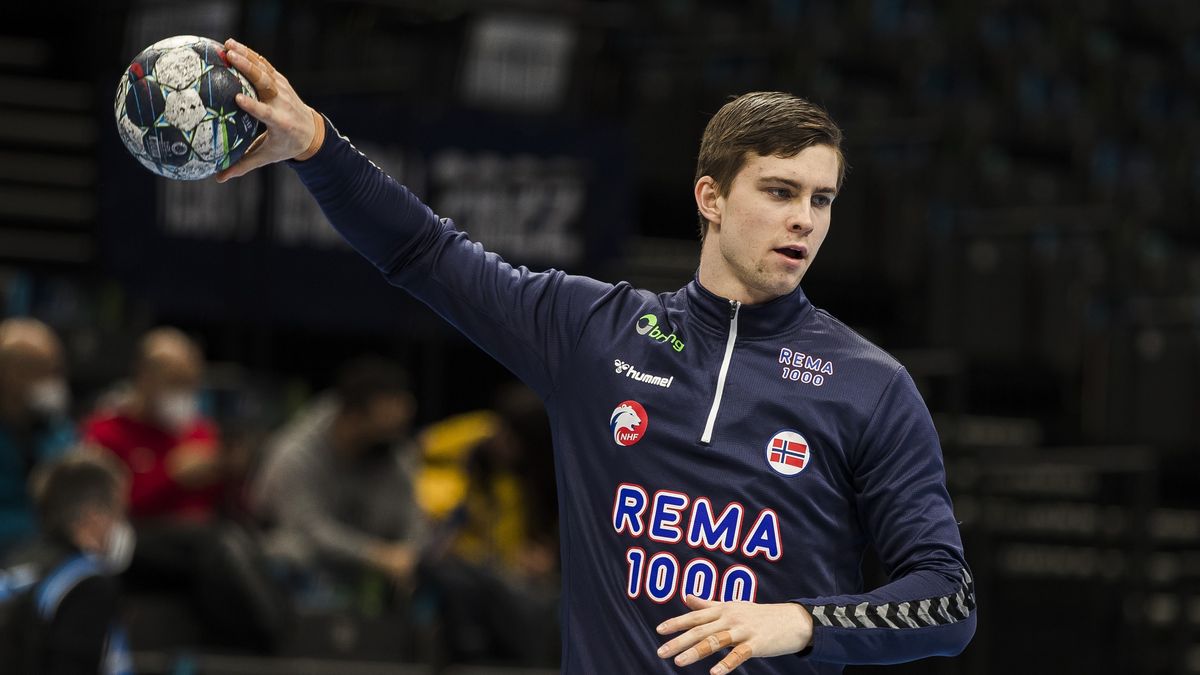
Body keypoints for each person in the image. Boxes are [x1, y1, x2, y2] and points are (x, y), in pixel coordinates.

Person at [215, 39, 976, 674]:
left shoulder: (871, 386)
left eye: (822, 199)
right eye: (780, 191)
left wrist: (803, 621)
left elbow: (947, 601)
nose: (804, 220)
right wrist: (315, 145)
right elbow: (423, 249)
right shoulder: (592, 331)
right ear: (710, 197)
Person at [83, 327, 286, 650]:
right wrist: (172, 476)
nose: (185, 393)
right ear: (144, 376)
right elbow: (102, 510)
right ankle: (269, 642)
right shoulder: (104, 432)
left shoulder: (198, 431)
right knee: (217, 545)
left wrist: (232, 475)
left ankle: (249, 647)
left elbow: (229, 505)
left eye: (191, 383)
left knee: (237, 544)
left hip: (197, 548)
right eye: (175, 382)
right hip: (133, 540)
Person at [251, 356, 426, 594]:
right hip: (304, 566)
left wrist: (409, 552)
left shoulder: (392, 448)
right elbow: (306, 527)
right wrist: (375, 554)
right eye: (384, 426)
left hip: (372, 569)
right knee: (289, 554)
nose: (394, 435)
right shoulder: (294, 453)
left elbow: (412, 518)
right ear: (354, 417)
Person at [0, 452, 134, 675]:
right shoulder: (84, 582)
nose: (121, 524)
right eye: (119, 512)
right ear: (95, 516)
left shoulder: (14, 563)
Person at [0, 318, 77, 556]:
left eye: (55, 368)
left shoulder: (59, 429)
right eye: (38, 369)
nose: (51, 379)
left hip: (51, 553)